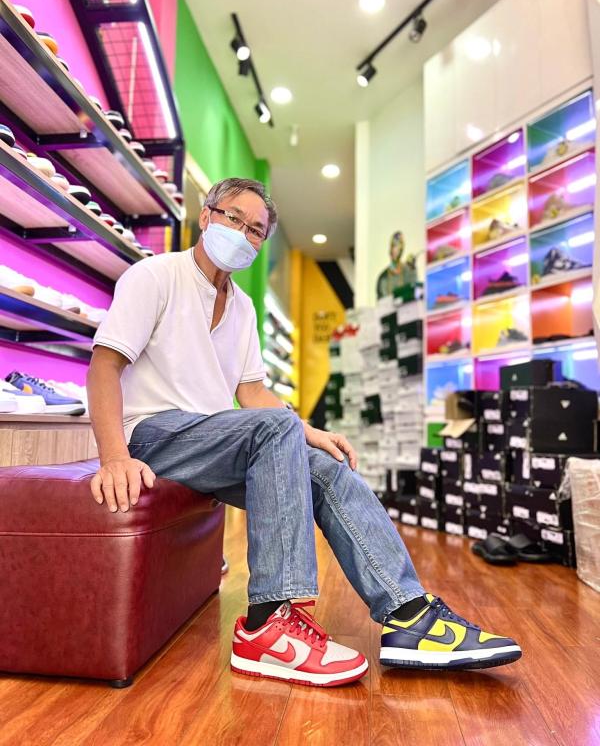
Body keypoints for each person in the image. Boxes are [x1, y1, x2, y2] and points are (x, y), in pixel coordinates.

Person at [87, 178, 521, 688]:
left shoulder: (243, 307)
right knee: (277, 429)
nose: (242, 234)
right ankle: (268, 622)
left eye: (255, 230)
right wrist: (114, 456)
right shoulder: (155, 276)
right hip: (153, 435)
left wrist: (309, 433)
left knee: (328, 471)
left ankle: (409, 615)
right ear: (206, 217)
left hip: (212, 438)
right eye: (233, 218)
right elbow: (104, 366)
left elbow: (252, 393)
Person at [376, 230, 418, 299]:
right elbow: (381, 301)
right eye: (392, 246)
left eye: (397, 246)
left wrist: (413, 270)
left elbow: (413, 292)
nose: (394, 250)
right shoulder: (383, 278)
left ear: (402, 249)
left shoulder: (409, 271)